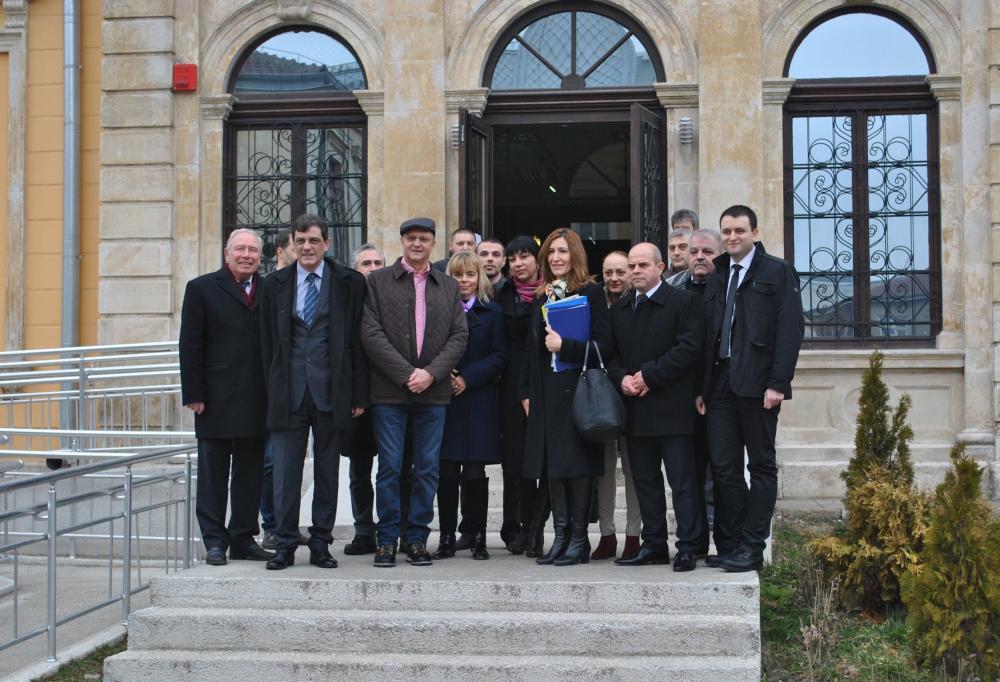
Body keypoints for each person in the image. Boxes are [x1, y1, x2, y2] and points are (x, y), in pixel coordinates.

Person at [258, 214, 368, 571]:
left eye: (314, 241)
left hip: (331, 391)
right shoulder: (274, 284)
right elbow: (266, 343)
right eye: (301, 241)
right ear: (293, 243)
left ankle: (321, 542)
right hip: (288, 392)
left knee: (327, 471)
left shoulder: (349, 282)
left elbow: (358, 341)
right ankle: (285, 544)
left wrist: (358, 395)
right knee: (285, 472)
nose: (307, 247)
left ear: (327, 244)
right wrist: (271, 389)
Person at [700, 205, 804, 572]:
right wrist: (702, 389)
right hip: (720, 384)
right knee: (724, 468)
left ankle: (752, 546)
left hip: (759, 385)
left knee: (760, 467)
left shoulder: (777, 271)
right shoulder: (718, 273)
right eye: (726, 231)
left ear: (754, 233)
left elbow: (790, 330)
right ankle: (733, 544)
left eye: (739, 231)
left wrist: (778, 383)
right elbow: (710, 333)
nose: (732, 237)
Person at [362, 217, 468, 567]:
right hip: (389, 391)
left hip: (433, 393)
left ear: (433, 243)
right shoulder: (378, 281)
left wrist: (431, 374)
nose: (417, 244)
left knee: (427, 469)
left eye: (423, 238)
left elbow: (459, 336)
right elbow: (371, 333)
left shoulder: (448, 286)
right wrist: (407, 374)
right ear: (403, 242)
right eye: (411, 238)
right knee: (390, 468)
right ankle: (386, 541)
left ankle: (418, 539)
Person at [607, 242, 705, 571]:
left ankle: (688, 546)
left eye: (642, 265)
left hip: (673, 409)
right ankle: (654, 545)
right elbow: (611, 356)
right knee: (646, 483)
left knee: (682, 483)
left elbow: (688, 348)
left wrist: (650, 375)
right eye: (632, 266)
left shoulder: (684, 302)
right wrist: (621, 378)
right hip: (636, 412)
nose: (635, 271)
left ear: (660, 268)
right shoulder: (619, 310)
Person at [179, 228, 272, 566]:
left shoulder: (270, 289)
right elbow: (190, 344)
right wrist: (194, 393)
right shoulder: (201, 288)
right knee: (213, 476)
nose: (246, 255)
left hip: (258, 398)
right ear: (226, 253)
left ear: (260, 257)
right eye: (240, 249)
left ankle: (243, 538)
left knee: (250, 473)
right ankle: (215, 542)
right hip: (215, 399)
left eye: (252, 250)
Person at [520, 228, 612, 566]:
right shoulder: (542, 297)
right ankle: (559, 537)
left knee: (578, 466)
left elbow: (605, 345)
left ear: (575, 254)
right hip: (546, 393)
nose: (556, 257)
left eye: (563, 251)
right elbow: (531, 351)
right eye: (551, 252)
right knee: (553, 467)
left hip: (579, 392)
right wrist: (525, 391)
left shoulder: (592, 292)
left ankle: (578, 539)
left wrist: (566, 347)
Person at [433, 252, 508, 560]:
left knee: (475, 472)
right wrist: (445, 372)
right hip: (445, 399)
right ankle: (446, 537)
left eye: (469, 275)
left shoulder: (493, 312)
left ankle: (477, 536)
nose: (463, 281)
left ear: (479, 278)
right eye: (457, 275)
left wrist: (468, 377)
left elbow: (499, 355)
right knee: (447, 471)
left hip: (479, 400)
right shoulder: (438, 310)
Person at [668, 229, 723, 558]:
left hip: (721, 394)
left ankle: (726, 543)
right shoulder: (674, 289)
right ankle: (694, 541)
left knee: (723, 471)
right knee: (688, 473)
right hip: (682, 396)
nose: (700, 257)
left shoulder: (729, 288)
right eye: (694, 251)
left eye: (708, 251)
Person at [494, 236, 549, 557]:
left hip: (546, 383)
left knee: (545, 461)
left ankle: (536, 527)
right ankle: (515, 527)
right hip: (511, 386)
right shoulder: (501, 295)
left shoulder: (552, 292)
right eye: (512, 258)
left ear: (537, 260)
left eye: (524, 256)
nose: (518, 263)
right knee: (515, 463)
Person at [591, 250, 642, 561]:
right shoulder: (593, 300)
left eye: (620, 272)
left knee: (635, 470)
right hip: (599, 397)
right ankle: (606, 534)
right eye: (608, 272)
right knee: (604, 469)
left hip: (633, 394)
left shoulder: (639, 302)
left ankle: (634, 535)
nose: (614, 278)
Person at [340, 243, 386, 556]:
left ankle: (393, 529)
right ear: (355, 270)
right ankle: (364, 530)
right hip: (358, 398)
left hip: (393, 395)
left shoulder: (395, 297)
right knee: (359, 470)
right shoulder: (345, 302)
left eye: (377, 263)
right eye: (365, 264)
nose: (372, 268)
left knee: (395, 469)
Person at [260, 228, 300, 551]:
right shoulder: (268, 287)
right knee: (272, 462)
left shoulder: (304, 286)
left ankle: (288, 525)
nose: (304, 251)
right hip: (270, 387)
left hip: (299, 389)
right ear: (281, 252)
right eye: (297, 246)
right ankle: (271, 525)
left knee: (290, 463)